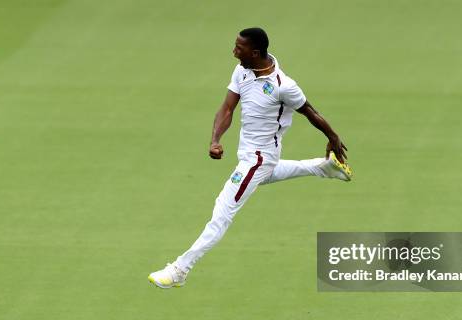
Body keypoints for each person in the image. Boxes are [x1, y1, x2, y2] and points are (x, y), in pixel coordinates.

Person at [148, 27, 352, 288]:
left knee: (222, 210)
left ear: (255, 52)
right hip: (250, 157)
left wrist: (333, 138)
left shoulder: (283, 86)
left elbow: (310, 111)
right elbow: (227, 107)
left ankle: (180, 270)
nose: (234, 51)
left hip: (258, 158)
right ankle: (323, 168)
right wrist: (215, 140)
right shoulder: (242, 70)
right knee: (265, 175)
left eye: (239, 48)